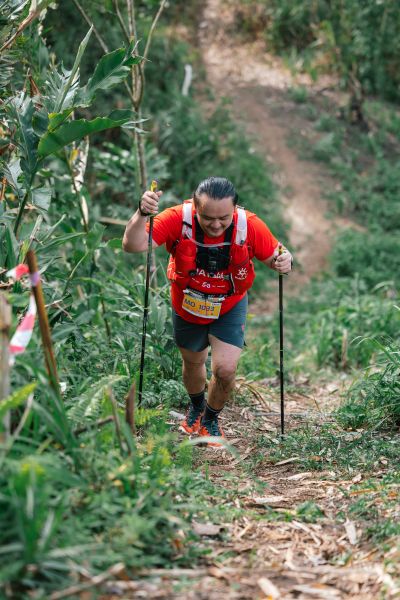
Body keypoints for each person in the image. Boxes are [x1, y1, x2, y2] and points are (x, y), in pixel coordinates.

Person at [123, 177, 293, 447]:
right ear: (195, 207)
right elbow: (132, 245)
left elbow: (276, 256)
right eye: (207, 218)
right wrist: (142, 213)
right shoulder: (177, 219)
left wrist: (284, 261)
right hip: (187, 305)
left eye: (223, 218)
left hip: (229, 306)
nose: (215, 225)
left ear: (234, 209)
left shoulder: (249, 225)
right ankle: (196, 407)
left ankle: (210, 419)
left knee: (225, 370)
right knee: (193, 364)